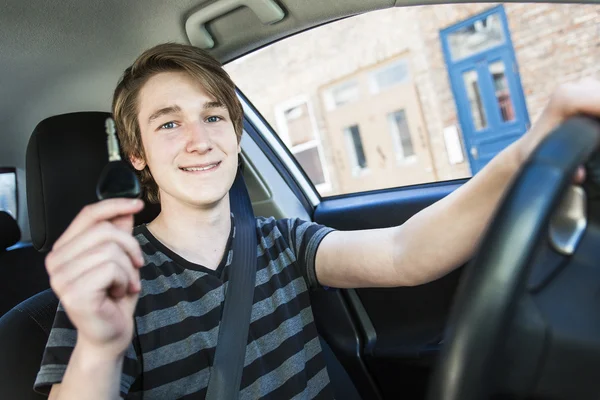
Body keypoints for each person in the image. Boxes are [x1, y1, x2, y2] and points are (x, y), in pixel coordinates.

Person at [34, 43, 600, 399]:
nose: (199, 140)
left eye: (213, 116)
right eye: (168, 124)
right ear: (137, 155)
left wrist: (527, 152)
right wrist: (100, 348)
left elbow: (406, 252)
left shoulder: (282, 242)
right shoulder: (112, 281)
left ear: (235, 134)